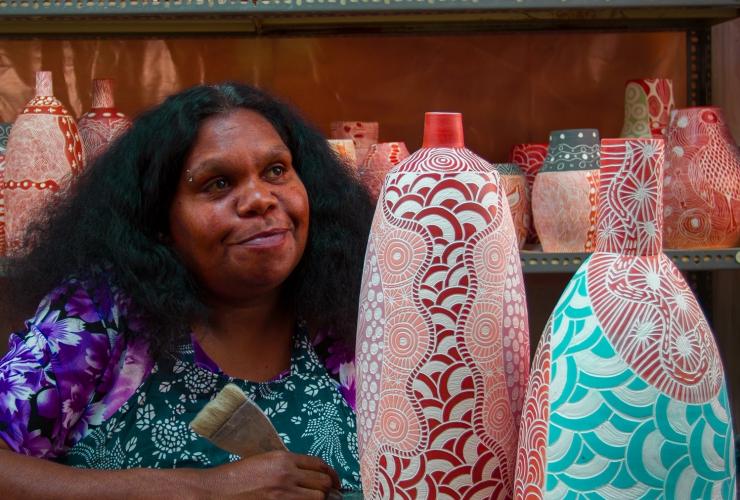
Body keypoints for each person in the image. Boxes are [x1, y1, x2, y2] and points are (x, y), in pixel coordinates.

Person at [0, 82, 375, 498]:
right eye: (217, 184)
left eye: (276, 171)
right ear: (161, 222)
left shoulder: (349, 322)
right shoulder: (101, 311)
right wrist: (203, 490)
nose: (260, 199)